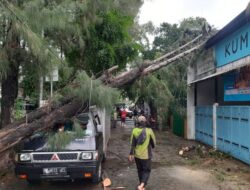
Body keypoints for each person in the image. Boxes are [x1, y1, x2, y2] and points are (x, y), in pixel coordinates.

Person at [128, 116, 156, 190]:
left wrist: (131, 154)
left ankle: (141, 185)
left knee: (140, 170)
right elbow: (153, 144)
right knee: (146, 170)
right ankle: (141, 185)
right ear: (145, 122)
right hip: (146, 156)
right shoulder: (149, 131)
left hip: (137, 155)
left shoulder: (134, 130)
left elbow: (132, 143)